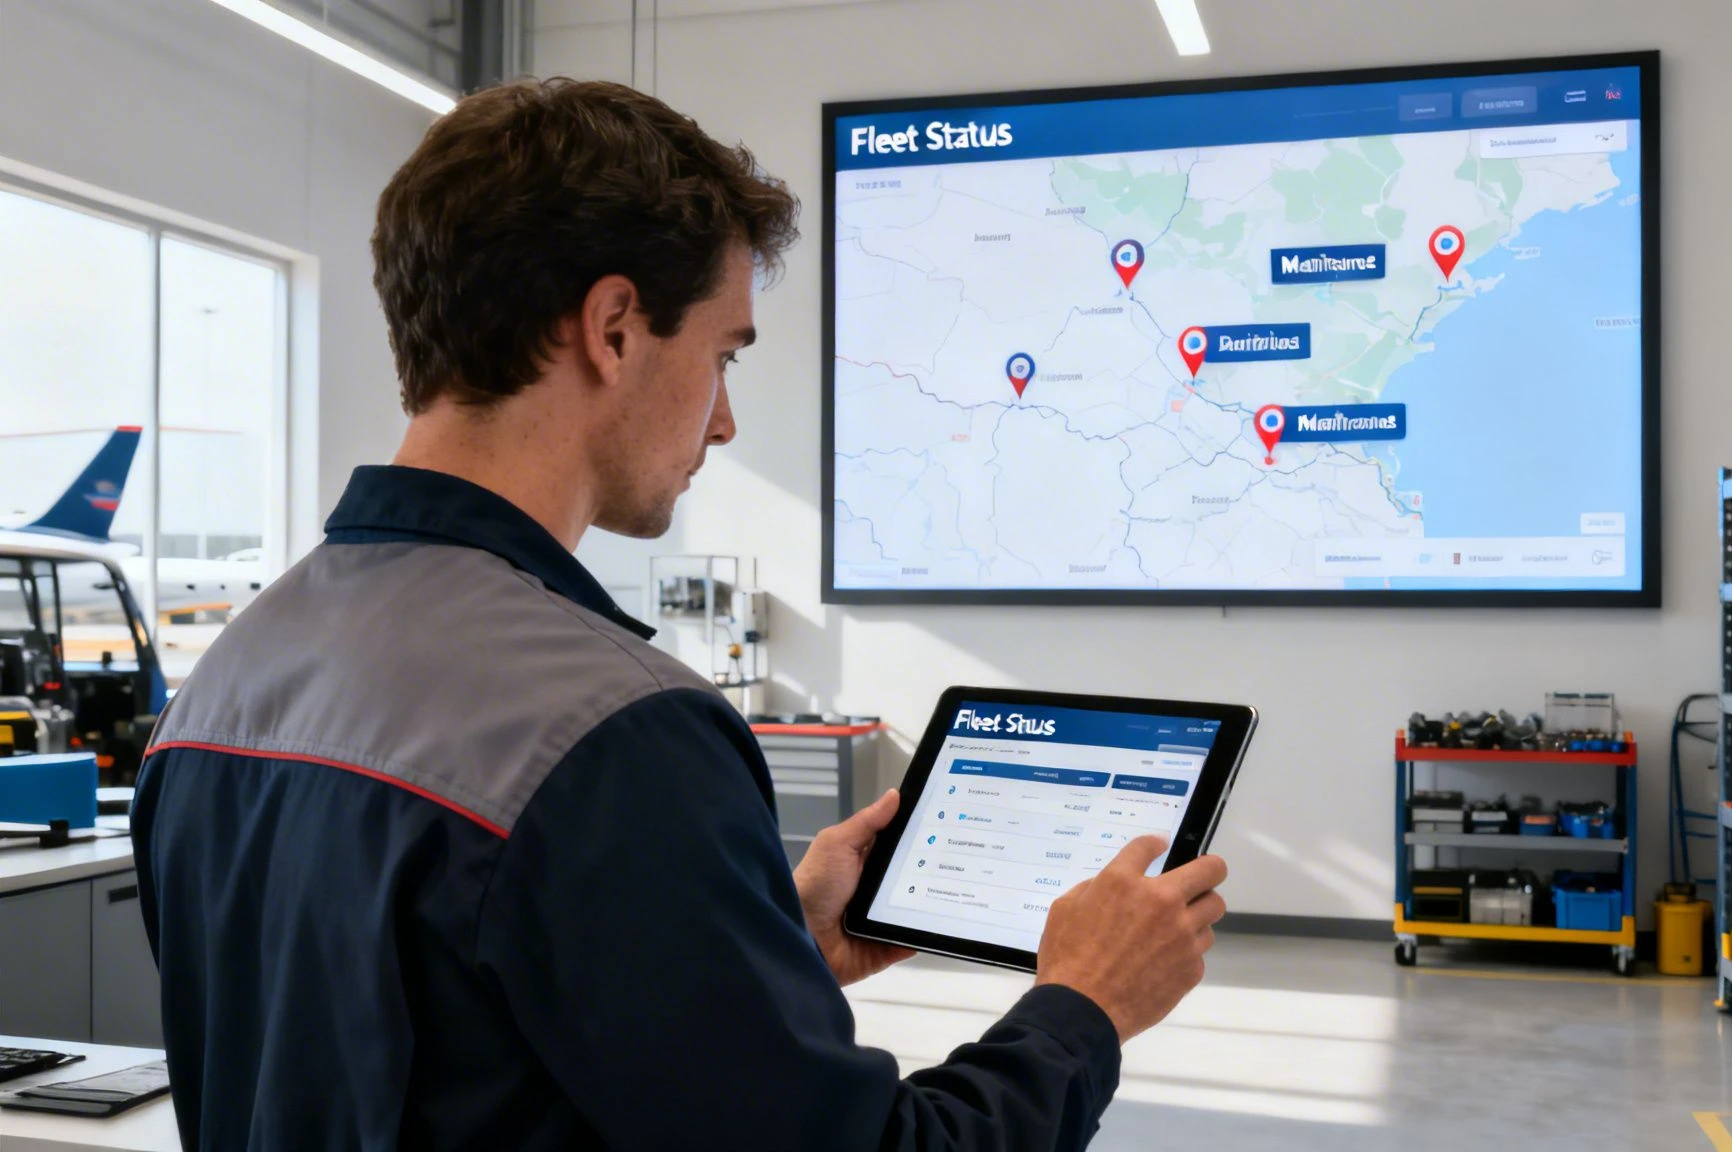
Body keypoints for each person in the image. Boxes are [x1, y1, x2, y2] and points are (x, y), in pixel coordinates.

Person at [131, 77, 1228, 1150]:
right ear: (612, 328)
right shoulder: (614, 733)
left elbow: (446, 1048)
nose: (725, 420)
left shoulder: (225, 681)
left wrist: (765, 944)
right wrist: (1082, 1005)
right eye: (722, 354)